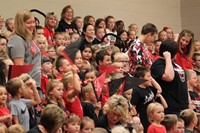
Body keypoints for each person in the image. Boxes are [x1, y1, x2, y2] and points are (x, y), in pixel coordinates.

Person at [151, 39, 189, 116]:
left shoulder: (174, 64)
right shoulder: (158, 65)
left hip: (183, 107)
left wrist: (189, 102)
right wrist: (168, 58)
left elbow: (183, 83)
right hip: (170, 109)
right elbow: (169, 77)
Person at [7, 10, 41, 93]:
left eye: (33, 22)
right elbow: (19, 67)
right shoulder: (17, 39)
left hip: (35, 84)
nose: (32, 25)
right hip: (26, 87)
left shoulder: (29, 39)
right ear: (20, 24)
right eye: (28, 23)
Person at [131, 66, 162, 132]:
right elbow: (133, 107)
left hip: (151, 118)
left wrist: (150, 78)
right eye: (148, 76)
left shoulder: (149, 87)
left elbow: (159, 90)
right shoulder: (136, 90)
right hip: (143, 119)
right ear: (141, 78)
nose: (151, 78)